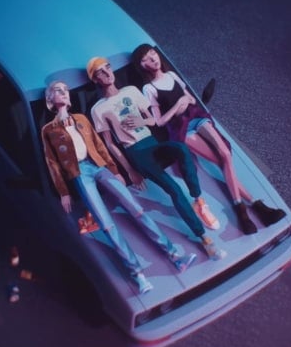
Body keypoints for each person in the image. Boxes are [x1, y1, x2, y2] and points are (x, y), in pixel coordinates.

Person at [41, 80, 197, 294]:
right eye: (59, 91)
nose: (65, 93)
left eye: (66, 90)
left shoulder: (81, 119)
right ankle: (138, 274)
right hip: (79, 175)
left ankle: (175, 256)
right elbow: (53, 163)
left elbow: (99, 145)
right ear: (50, 99)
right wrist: (64, 192)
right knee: (106, 223)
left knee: (137, 209)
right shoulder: (48, 130)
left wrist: (114, 170)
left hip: (99, 167)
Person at [130, 43, 286, 234]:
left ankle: (244, 211)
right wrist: (178, 104)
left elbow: (192, 100)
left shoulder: (171, 76)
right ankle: (255, 208)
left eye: (152, 53)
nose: (152, 58)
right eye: (145, 59)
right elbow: (159, 121)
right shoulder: (149, 88)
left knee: (225, 155)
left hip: (196, 118)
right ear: (142, 66)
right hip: (181, 130)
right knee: (222, 161)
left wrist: (186, 100)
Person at [86, 57, 227, 261]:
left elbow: (152, 119)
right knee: (173, 189)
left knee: (180, 148)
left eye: (108, 67)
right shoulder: (98, 109)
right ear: (95, 79)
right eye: (100, 71)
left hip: (151, 142)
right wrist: (129, 170)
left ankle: (199, 201)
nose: (107, 72)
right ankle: (205, 240)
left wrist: (141, 120)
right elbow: (110, 144)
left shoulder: (131, 91)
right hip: (136, 152)